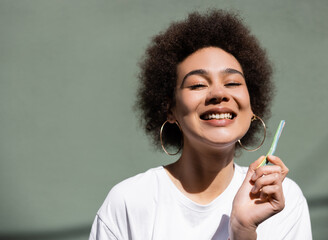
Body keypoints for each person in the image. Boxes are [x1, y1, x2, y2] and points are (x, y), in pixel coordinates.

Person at [89, 10, 312, 240]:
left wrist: (243, 229)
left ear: (252, 105)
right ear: (170, 109)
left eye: (233, 82)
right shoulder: (129, 202)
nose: (218, 93)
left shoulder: (282, 200)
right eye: (197, 85)